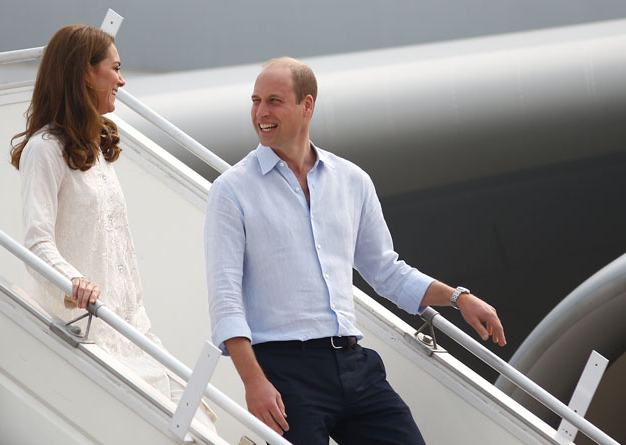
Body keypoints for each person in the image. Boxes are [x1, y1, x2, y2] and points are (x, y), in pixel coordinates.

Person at [205, 56, 506, 444]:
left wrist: (457, 297)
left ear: (307, 105)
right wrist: (254, 382)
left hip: (354, 362)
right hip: (284, 372)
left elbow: (386, 271)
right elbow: (226, 300)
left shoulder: (352, 181)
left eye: (274, 101)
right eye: (255, 100)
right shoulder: (231, 191)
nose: (261, 112)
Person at [10, 25, 215, 428]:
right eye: (115, 68)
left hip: (132, 328)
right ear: (86, 73)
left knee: (198, 422)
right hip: (88, 330)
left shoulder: (95, 152)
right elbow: (36, 242)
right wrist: (74, 280)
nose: (122, 80)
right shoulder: (44, 150)